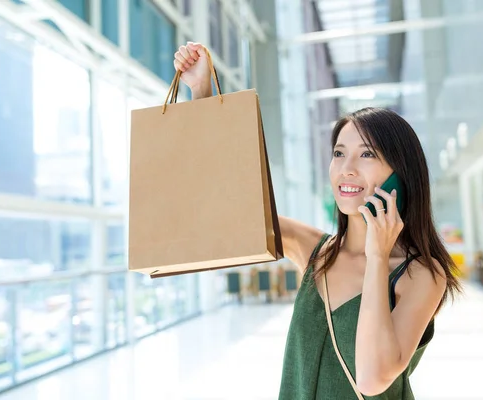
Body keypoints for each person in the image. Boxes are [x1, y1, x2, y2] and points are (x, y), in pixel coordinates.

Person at [173, 42, 463, 399]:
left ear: (400, 175)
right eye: (339, 153)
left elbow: (371, 379)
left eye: (367, 154)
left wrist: (377, 256)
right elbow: (224, 208)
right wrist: (201, 93)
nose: (346, 169)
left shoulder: (421, 274)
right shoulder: (315, 250)